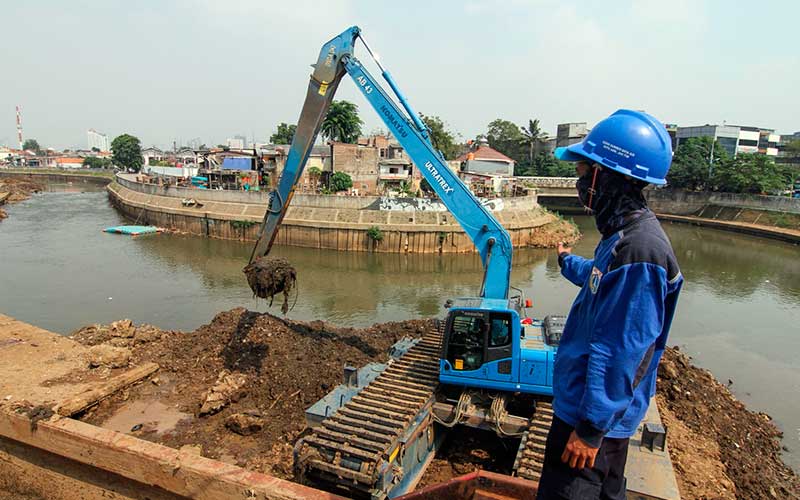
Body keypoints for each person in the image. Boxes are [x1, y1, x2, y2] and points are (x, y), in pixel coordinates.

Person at [536, 109, 683, 500]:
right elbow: (600, 280)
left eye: (584, 173)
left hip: (589, 423)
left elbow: (623, 349)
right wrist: (569, 262)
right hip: (588, 411)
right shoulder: (622, 235)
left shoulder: (640, 250)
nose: (580, 183)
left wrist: (589, 430)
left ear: (606, 175)